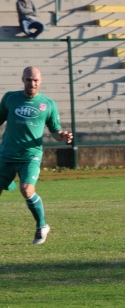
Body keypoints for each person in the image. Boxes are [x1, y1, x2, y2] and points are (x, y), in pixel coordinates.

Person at [0, 67, 73, 245]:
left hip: (30, 155)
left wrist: (62, 136)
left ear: (40, 80)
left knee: (26, 189)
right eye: (28, 80)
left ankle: (42, 226)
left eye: (35, 80)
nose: (32, 83)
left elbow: (55, 130)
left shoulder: (48, 104)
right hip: (7, 153)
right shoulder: (10, 98)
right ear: (22, 79)